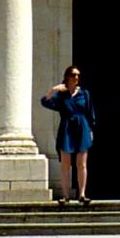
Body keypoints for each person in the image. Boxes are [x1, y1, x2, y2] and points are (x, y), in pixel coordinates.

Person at [40, 66, 95, 205]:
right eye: (73, 75)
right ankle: (65, 195)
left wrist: (91, 130)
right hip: (67, 127)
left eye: (78, 75)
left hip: (82, 126)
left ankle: (82, 194)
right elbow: (45, 102)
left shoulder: (85, 94)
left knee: (81, 163)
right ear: (67, 76)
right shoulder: (61, 95)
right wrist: (54, 90)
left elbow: (90, 113)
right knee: (65, 163)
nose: (76, 78)